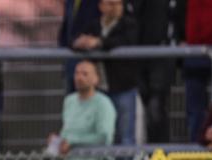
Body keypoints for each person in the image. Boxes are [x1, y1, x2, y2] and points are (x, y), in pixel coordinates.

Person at [73, 0, 138, 146]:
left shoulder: (129, 24)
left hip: (123, 87)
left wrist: (100, 43)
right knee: (103, 131)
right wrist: (80, 43)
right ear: (101, 6)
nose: (116, 8)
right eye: (111, 3)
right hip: (100, 89)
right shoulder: (94, 25)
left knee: (125, 133)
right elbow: (74, 39)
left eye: (119, 4)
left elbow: (127, 40)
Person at [129, 0, 185, 143]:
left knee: (156, 107)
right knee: (146, 105)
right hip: (139, 55)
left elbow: (179, 16)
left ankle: (159, 154)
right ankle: (152, 153)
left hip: (162, 54)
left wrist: (181, 38)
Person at [182, 0, 212, 142]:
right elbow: (178, 13)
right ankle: (196, 149)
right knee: (195, 110)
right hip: (193, 52)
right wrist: (180, 38)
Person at [58, 0, 100, 92]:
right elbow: (67, 26)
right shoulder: (70, 2)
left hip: (92, 60)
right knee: (73, 100)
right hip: (71, 60)